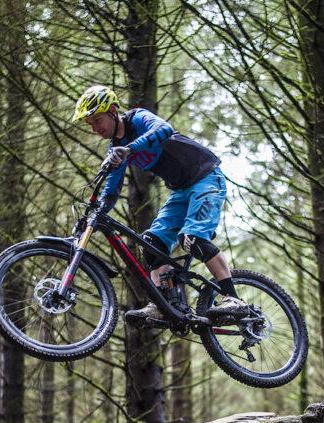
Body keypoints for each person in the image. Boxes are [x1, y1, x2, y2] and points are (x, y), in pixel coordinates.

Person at [72, 84, 247, 324]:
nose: (95, 128)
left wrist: (129, 149)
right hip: (180, 191)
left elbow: (164, 129)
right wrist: (93, 216)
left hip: (206, 177)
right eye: (90, 124)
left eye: (97, 120)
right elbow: (111, 191)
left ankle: (233, 299)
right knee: (151, 243)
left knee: (192, 238)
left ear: (113, 111)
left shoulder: (137, 118)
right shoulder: (115, 148)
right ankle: (165, 304)